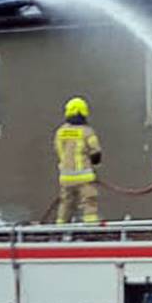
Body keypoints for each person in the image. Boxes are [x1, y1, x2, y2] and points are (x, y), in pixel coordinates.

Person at [54, 96, 103, 224]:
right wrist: (95, 165)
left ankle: (61, 228)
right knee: (89, 201)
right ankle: (91, 227)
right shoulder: (87, 132)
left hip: (65, 177)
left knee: (66, 203)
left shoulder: (60, 132)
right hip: (84, 177)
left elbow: (59, 151)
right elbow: (96, 152)